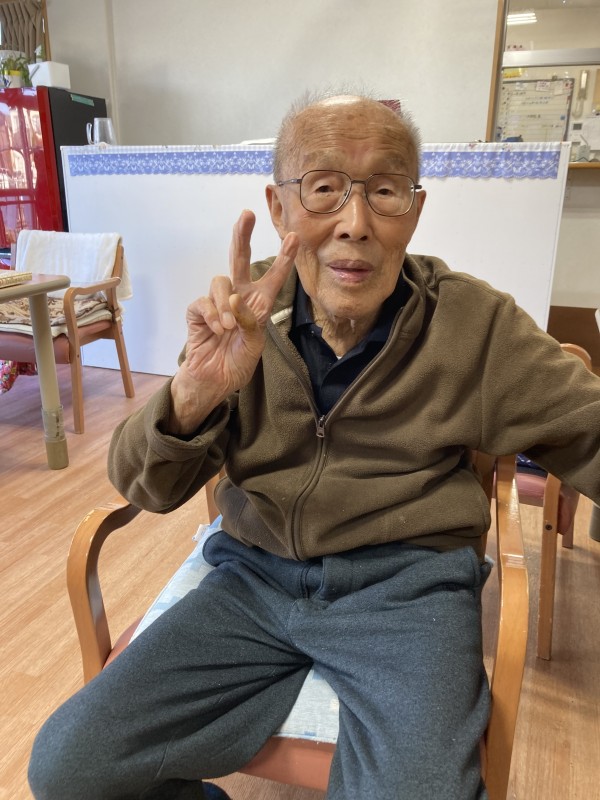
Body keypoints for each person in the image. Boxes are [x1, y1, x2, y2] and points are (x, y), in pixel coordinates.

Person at [29, 91, 600, 800]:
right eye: (324, 188)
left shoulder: (473, 325)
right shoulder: (247, 314)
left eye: (384, 191)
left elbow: (588, 427)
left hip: (406, 592)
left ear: (414, 210)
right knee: (69, 767)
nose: (355, 224)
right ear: (279, 208)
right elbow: (145, 485)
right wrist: (194, 394)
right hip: (253, 581)